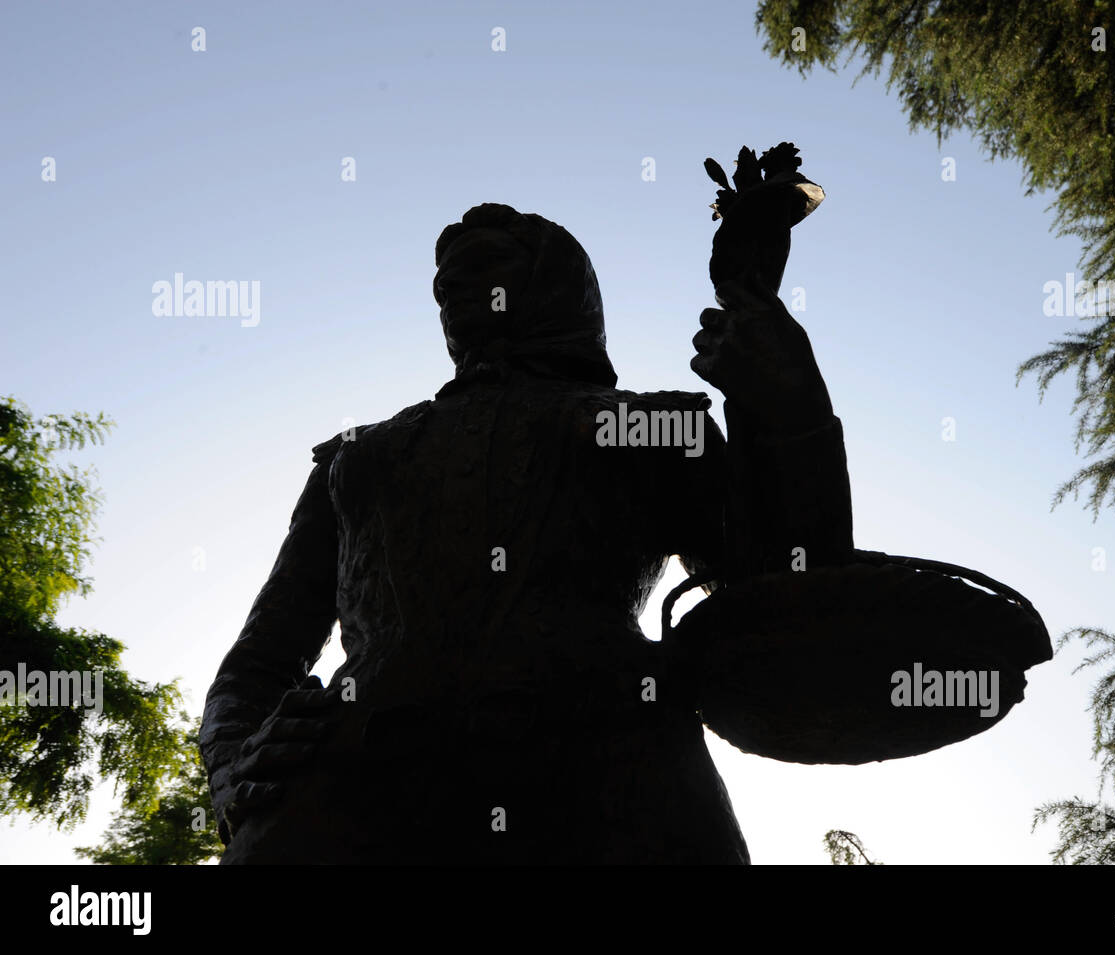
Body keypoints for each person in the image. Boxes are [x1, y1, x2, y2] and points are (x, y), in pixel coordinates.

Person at [199, 202, 853, 863]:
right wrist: (232, 765)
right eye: (441, 284)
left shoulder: (649, 427)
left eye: (484, 267)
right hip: (351, 801)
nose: (451, 290)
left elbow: (793, 606)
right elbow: (260, 658)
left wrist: (784, 400)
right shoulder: (357, 458)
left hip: (610, 792)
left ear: (552, 284)